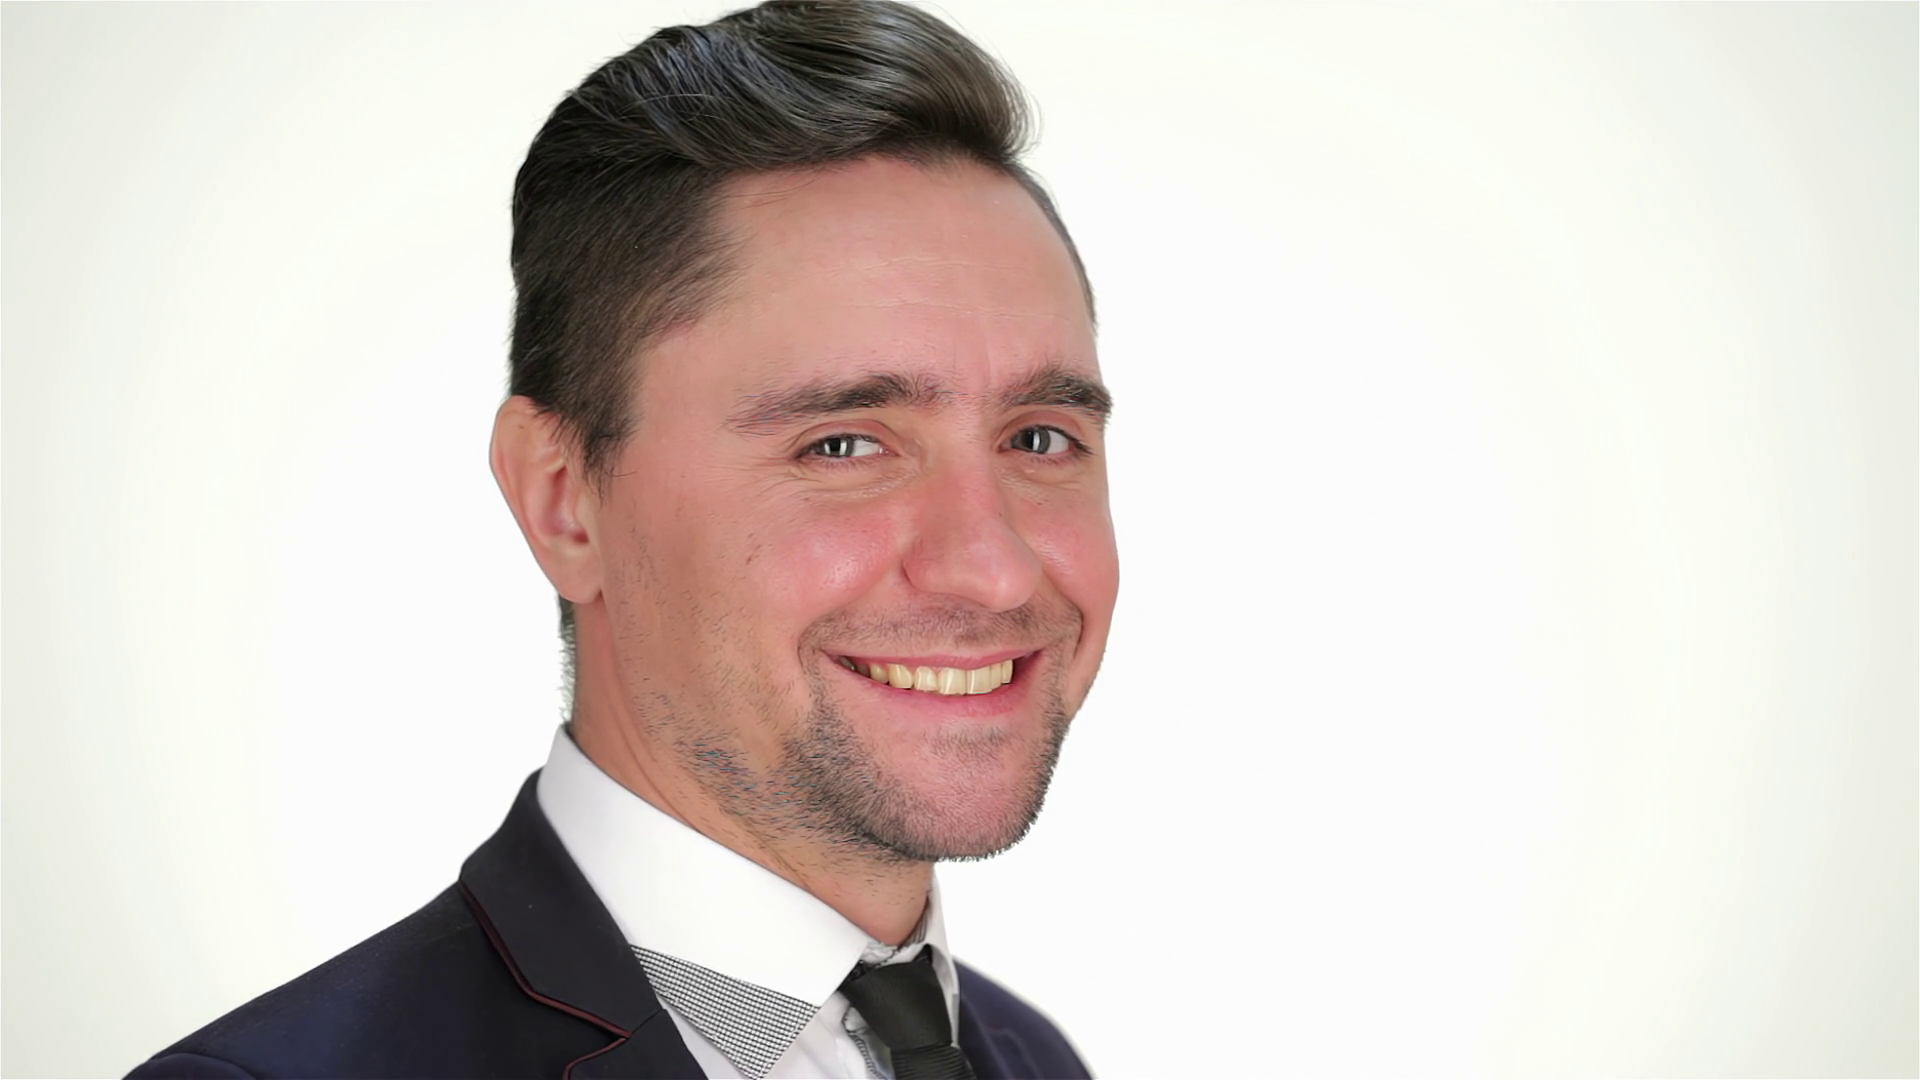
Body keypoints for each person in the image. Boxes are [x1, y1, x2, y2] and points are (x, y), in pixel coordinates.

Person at [128, 2, 1116, 1077]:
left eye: (1039, 437)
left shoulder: (1030, 1059)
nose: (994, 566)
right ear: (563, 501)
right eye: (842, 445)